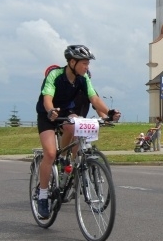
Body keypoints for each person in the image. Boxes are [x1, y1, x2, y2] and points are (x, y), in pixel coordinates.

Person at [35, 44, 110, 219]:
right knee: (50, 154)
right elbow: (47, 97)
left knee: (74, 126)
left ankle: (67, 161)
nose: (87, 67)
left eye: (88, 63)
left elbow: (94, 98)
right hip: (48, 115)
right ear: (72, 62)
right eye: (84, 63)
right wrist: (50, 111)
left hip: (67, 115)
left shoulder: (84, 80)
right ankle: (43, 196)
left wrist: (109, 114)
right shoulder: (56, 75)